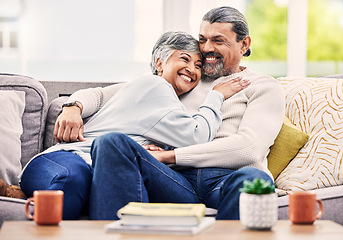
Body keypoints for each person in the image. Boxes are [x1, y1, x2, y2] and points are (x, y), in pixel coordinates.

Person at [18, 31, 249, 219]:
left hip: (105, 168)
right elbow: (196, 137)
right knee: (73, 180)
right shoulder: (154, 86)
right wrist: (72, 105)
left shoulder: (166, 99)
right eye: (185, 59)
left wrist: (162, 150)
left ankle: (19, 193)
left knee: (90, 177)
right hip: (73, 156)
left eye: (199, 65)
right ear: (160, 63)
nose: (193, 69)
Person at [87, 6, 285, 220]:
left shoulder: (264, 86)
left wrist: (170, 156)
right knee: (111, 143)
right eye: (202, 39)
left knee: (253, 179)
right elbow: (103, 95)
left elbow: (249, 148)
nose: (207, 48)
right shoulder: (187, 76)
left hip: (226, 179)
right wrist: (74, 107)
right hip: (174, 179)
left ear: (244, 44)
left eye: (218, 41)